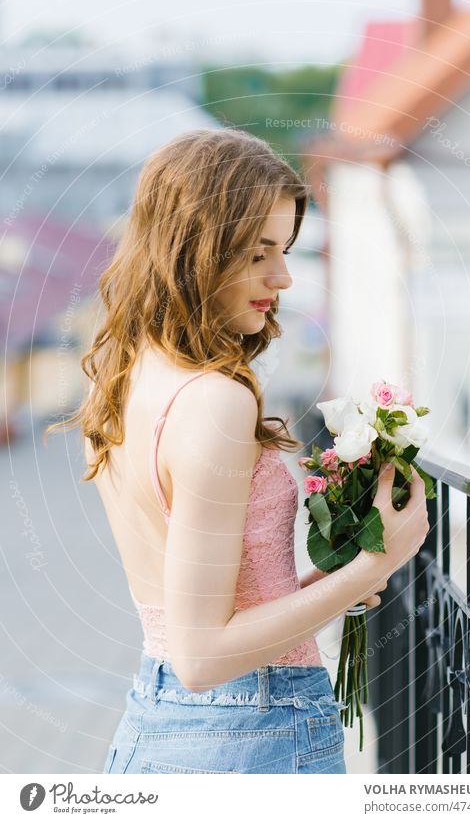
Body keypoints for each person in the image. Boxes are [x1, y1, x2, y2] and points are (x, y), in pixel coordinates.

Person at [45, 127, 430, 774]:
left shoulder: (124, 373)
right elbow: (202, 655)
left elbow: (198, 614)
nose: (282, 276)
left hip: (157, 722)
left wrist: (332, 582)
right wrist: (373, 565)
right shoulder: (213, 401)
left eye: (284, 250)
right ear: (194, 250)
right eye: (258, 254)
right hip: (248, 733)